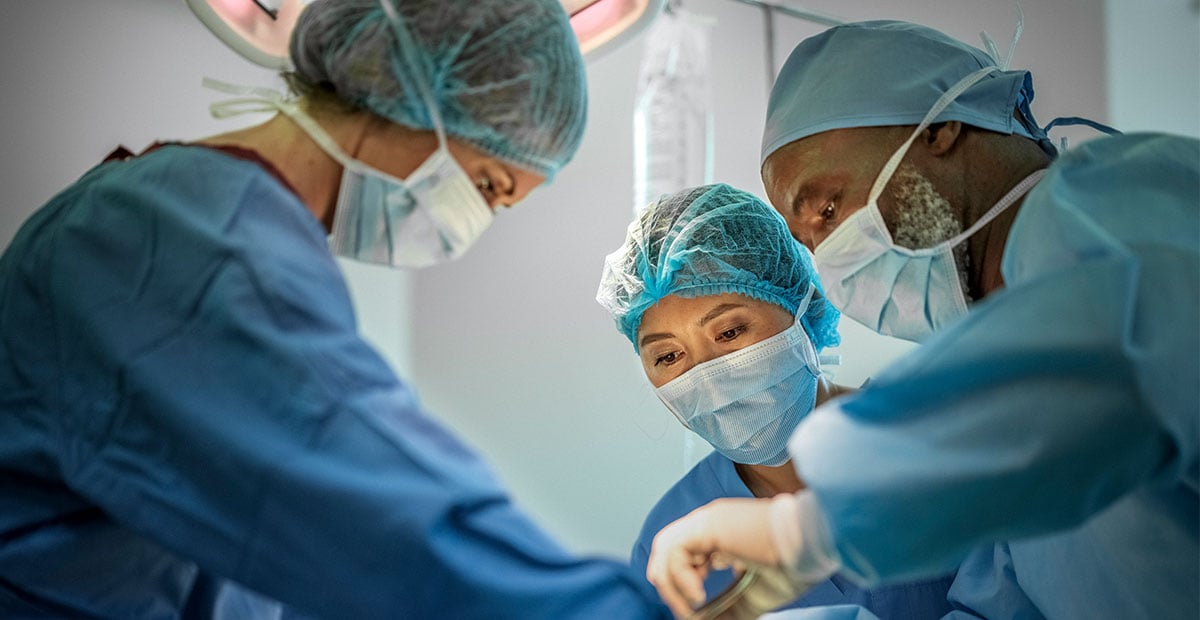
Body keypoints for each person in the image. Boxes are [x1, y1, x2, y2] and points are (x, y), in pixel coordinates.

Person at [0, 1, 670, 618]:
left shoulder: (195, 214)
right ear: (402, 85)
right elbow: (387, 514)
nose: (473, 222)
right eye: (489, 187)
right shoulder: (193, 246)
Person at [645, 20, 1199, 620]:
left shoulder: (1114, 203)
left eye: (829, 209)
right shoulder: (1000, 337)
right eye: (810, 243)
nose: (832, 262)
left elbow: (1110, 357)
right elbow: (1012, 603)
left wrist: (800, 527)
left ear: (939, 129)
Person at [596, 183, 960, 618]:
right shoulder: (672, 536)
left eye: (729, 332)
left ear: (802, 309)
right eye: (668, 356)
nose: (706, 375)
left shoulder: (936, 437)